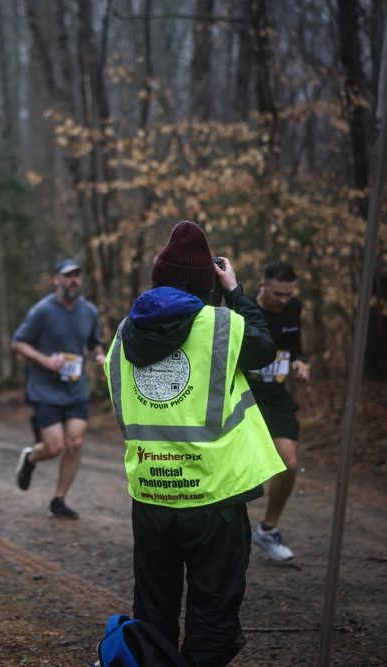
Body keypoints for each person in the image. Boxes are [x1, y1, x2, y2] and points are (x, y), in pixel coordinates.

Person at [104, 220, 284, 666]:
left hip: (150, 496)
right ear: (209, 282)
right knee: (212, 617)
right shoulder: (222, 325)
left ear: (156, 279)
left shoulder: (122, 336)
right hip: (213, 499)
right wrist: (235, 292)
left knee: (153, 613)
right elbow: (265, 349)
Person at [12, 258, 106, 520]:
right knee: (54, 448)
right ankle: (31, 457)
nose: (74, 280)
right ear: (57, 280)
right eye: (68, 276)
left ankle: (58, 499)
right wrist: (43, 360)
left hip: (75, 389)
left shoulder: (89, 312)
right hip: (45, 389)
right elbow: (18, 343)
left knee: (75, 443)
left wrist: (99, 357)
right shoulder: (42, 311)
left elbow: (94, 344)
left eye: (77, 275)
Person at [247, 261, 310, 562]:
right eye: (277, 294)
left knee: (289, 461)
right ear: (262, 287)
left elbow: (295, 346)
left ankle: (267, 530)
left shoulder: (293, 308)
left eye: (288, 294)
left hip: (276, 397)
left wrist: (300, 360)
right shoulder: (244, 307)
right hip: (244, 398)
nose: (284, 300)